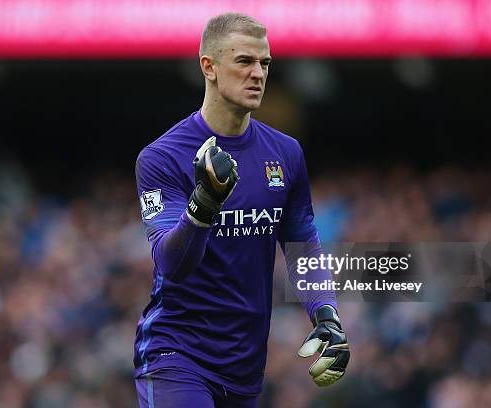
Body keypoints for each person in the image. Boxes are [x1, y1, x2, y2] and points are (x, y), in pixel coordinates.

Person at [134, 12, 349, 408]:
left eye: (265, 63)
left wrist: (326, 313)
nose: (258, 74)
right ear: (209, 67)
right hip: (176, 356)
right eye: (244, 61)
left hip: (246, 367)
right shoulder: (162, 157)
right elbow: (172, 264)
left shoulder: (285, 153)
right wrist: (204, 205)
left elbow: (302, 242)